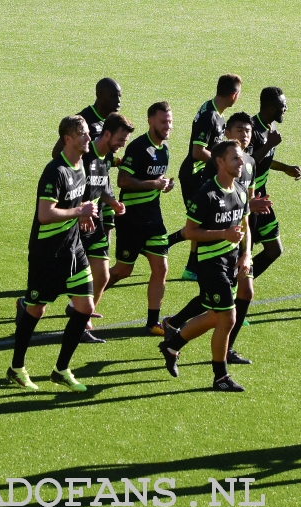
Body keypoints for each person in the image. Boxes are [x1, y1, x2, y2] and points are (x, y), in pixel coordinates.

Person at [163, 112, 271, 364]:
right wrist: (223, 232)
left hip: (237, 249)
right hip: (214, 255)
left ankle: (179, 335)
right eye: (239, 130)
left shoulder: (250, 165)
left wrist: (247, 252)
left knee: (229, 303)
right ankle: (218, 366)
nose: (245, 135)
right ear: (227, 135)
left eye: (248, 130)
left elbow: (244, 212)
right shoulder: (211, 182)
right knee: (222, 311)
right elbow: (202, 219)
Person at [10, 115, 98, 392]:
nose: (88, 138)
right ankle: (16, 368)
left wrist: (83, 214)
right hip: (47, 254)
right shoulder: (55, 171)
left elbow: (75, 200)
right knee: (37, 310)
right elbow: (45, 214)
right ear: (68, 139)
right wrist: (79, 211)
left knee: (86, 307)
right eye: (83, 134)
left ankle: (61, 370)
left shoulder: (80, 165)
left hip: (73, 249)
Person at [157, 140, 251, 391]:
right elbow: (190, 232)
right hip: (211, 264)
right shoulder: (206, 194)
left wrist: (247, 255)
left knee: (215, 316)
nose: (241, 162)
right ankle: (220, 377)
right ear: (220, 162)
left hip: (232, 262)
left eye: (241, 158)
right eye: (235, 159)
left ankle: (172, 345)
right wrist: (223, 235)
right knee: (228, 317)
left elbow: (245, 225)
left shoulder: (241, 190)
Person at [105, 102, 175, 336]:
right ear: (151, 121)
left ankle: (152, 322)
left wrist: (164, 186)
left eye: (170, 121)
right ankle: (80, 303)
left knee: (161, 267)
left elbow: (155, 180)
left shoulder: (164, 149)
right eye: (163, 121)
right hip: (131, 218)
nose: (168, 126)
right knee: (123, 270)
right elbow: (123, 181)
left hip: (153, 218)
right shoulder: (137, 147)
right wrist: (154, 184)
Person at [170, 74, 242, 281]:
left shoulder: (215, 112)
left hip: (203, 174)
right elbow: (197, 151)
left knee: (204, 224)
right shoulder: (210, 115)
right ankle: (186, 261)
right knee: (201, 225)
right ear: (233, 95)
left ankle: (192, 267)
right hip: (194, 174)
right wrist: (222, 161)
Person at [73, 112, 134, 343]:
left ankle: (82, 322)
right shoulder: (84, 157)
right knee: (57, 280)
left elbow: (104, 185)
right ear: (106, 134)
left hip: (94, 224)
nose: (121, 145)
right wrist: (79, 212)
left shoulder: (104, 158)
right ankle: (26, 303)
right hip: (75, 225)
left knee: (103, 274)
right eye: (120, 139)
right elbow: (70, 189)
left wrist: (113, 203)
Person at [51, 78, 123, 244]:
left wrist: (115, 162)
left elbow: (101, 155)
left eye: (119, 96)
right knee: (85, 242)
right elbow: (57, 152)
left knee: (104, 242)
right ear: (99, 95)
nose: (118, 101)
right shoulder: (84, 120)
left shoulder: (110, 121)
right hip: (85, 194)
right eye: (113, 96)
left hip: (103, 187)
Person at [245, 86, 301, 278]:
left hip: (261, 195)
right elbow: (246, 164)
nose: (286, 109)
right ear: (271, 109)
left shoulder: (271, 126)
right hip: (247, 199)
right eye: (283, 106)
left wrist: (285, 167)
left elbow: (265, 160)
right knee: (245, 251)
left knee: (274, 250)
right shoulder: (251, 130)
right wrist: (270, 144)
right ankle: (236, 290)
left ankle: (244, 283)